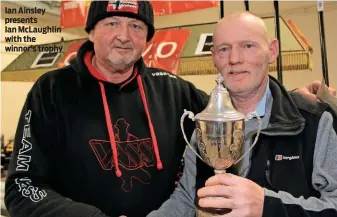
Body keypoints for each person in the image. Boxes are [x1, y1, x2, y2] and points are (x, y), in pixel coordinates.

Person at [4, 1, 335, 216]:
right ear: (90, 31)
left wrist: (294, 99)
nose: (124, 36)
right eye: (111, 24)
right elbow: (21, 187)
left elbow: (240, 110)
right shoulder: (51, 91)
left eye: (136, 26)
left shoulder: (173, 90)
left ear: (148, 37)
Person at [147, 12, 337, 217]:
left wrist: (267, 205)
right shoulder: (206, 124)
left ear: (272, 51)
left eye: (248, 46)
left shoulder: (315, 121)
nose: (234, 59)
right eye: (224, 49)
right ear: (213, 57)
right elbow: (186, 198)